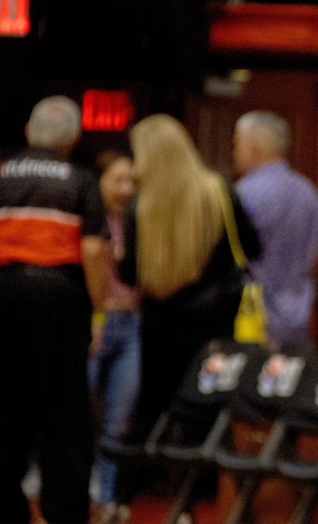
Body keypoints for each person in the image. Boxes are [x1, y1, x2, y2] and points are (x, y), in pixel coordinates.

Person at [115, 114, 259, 508]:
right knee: (208, 408)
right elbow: (251, 247)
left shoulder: (140, 205)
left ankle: (131, 495)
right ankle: (199, 496)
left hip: (160, 322)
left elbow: (129, 274)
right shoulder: (217, 191)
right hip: (214, 323)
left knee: (151, 404)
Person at [0, 96, 108, 524]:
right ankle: (65, 515)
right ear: (74, 138)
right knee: (65, 416)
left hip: (3, 293)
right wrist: (98, 313)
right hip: (58, 297)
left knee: (4, 410)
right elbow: (94, 250)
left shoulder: (1, 173)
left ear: (29, 131)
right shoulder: (80, 180)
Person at [233, 110, 318, 345]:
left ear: (253, 148)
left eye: (237, 145)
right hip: (299, 314)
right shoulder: (310, 193)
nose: (234, 153)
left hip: (251, 315)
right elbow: (315, 256)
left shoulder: (242, 194)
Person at [87, 151, 141, 522]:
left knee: (118, 422)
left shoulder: (137, 219)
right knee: (77, 413)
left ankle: (106, 497)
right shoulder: (89, 220)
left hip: (132, 324)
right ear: (100, 182)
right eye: (118, 180)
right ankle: (76, 492)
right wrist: (94, 316)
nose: (126, 189)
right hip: (94, 323)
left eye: (131, 181)